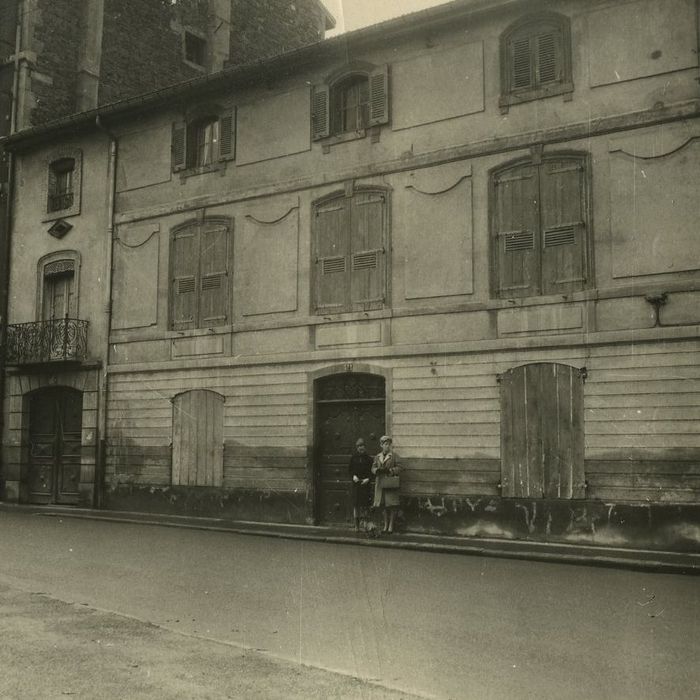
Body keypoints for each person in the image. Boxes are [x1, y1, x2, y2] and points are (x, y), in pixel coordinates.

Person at [371, 435, 400, 534]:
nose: (387, 446)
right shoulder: (377, 456)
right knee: (382, 505)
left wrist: (391, 470)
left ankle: (391, 525)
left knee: (391, 505)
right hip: (380, 484)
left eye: (389, 444)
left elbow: (400, 468)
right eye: (385, 444)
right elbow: (373, 468)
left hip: (390, 483)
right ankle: (385, 525)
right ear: (381, 445)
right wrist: (376, 470)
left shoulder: (394, 456)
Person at [348, 438, 373, 531]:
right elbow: (349, 470)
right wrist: (353, 476)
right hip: (356, 485)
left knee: (365, 506)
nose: (360, 448)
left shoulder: (369, 459)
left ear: (365, 447)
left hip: (365, 485)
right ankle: (356, 526)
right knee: (356, 506)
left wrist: (368, 479)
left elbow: (372, 473)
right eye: (359, 446)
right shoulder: (353, 458)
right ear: (356, 448)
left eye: (362, 446)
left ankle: (365, 525)